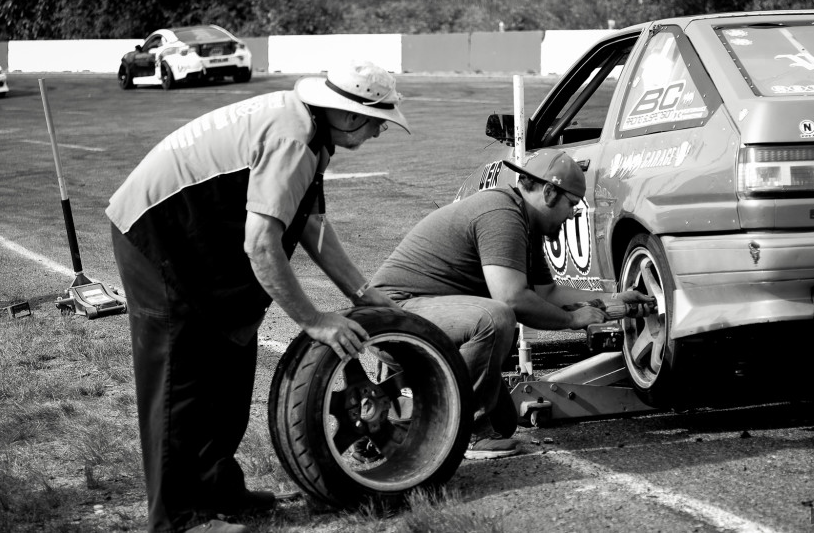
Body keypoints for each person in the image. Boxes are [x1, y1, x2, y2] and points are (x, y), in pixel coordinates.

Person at [107, 60, 406, 533]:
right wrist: (313, 319)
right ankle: (177, 520)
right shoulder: (294, 138)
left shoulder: (313, 133)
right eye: (378, 122)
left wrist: (363, 293)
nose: (380, 132)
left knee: (230, 362)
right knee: (179, 381)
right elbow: (262, 245)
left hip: (200, 237)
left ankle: (218, 490)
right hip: (158, 235)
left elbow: (310, 224)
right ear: (349, 115)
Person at [369, 148, 651, 459]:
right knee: (496, 317)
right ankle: (466, 433)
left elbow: (547, 296)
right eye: (571, 204)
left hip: (426, 318)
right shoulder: (501, 214)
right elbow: (512, 298)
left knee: (503, 422)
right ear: (548, 192)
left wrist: (612, 299)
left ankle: (397, 418)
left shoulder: (525, 223)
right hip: (396, 316)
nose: (572, 214)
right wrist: (572, 321)